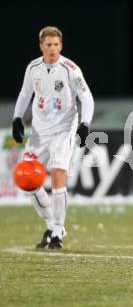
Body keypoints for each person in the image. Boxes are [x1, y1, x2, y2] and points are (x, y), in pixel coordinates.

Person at [12, 26, 94, 249]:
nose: (52, 49)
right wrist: (17, 118)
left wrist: (85, 124)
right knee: (27, 180)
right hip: (39, 132)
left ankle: (58, 231)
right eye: (48, 45)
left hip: (63, 129)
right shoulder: (33, 68)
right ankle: (51, 224)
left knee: (58, 174)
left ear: (61, 46)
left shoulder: (70, 69)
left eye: (56, 45)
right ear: (41, 46)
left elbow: (87, 99)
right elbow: (24, 93)